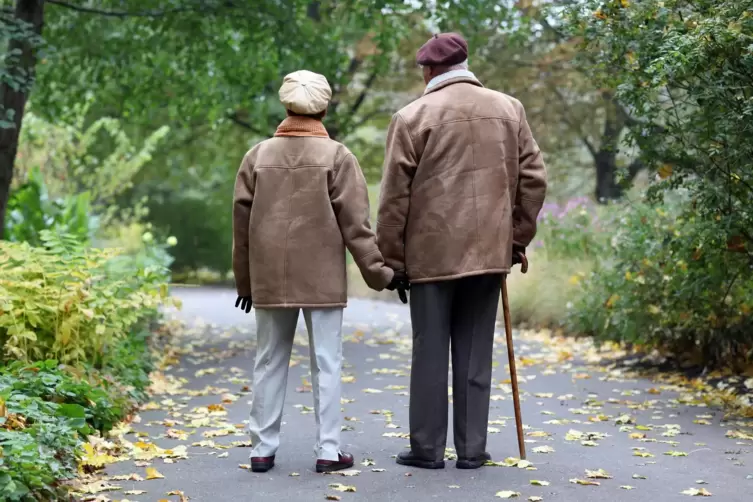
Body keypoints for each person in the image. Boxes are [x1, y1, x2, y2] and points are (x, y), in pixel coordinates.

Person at [376, 33, 548, 470]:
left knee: (430, 353)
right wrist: (515, 239)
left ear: (430, 70)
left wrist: (393, 262)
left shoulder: (412, 117)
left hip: (430, 258)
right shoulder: (510, 109)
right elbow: (534, 180)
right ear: (465, 63)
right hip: (490, 253)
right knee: (475, 353)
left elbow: (395, 198)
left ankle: (427, 450)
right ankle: (472, 450)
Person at [232, 70, 396, 474]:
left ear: (286, 106)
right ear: (323, 108)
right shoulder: (338, 157)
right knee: (327, 362)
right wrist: (381, 275)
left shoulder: (257, 156)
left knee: (269, 360)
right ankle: (328, 451)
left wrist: (245, 282)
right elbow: (357, 227)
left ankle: (262, 450)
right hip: (322, 278)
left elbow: (241, 229)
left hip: (270, 276)